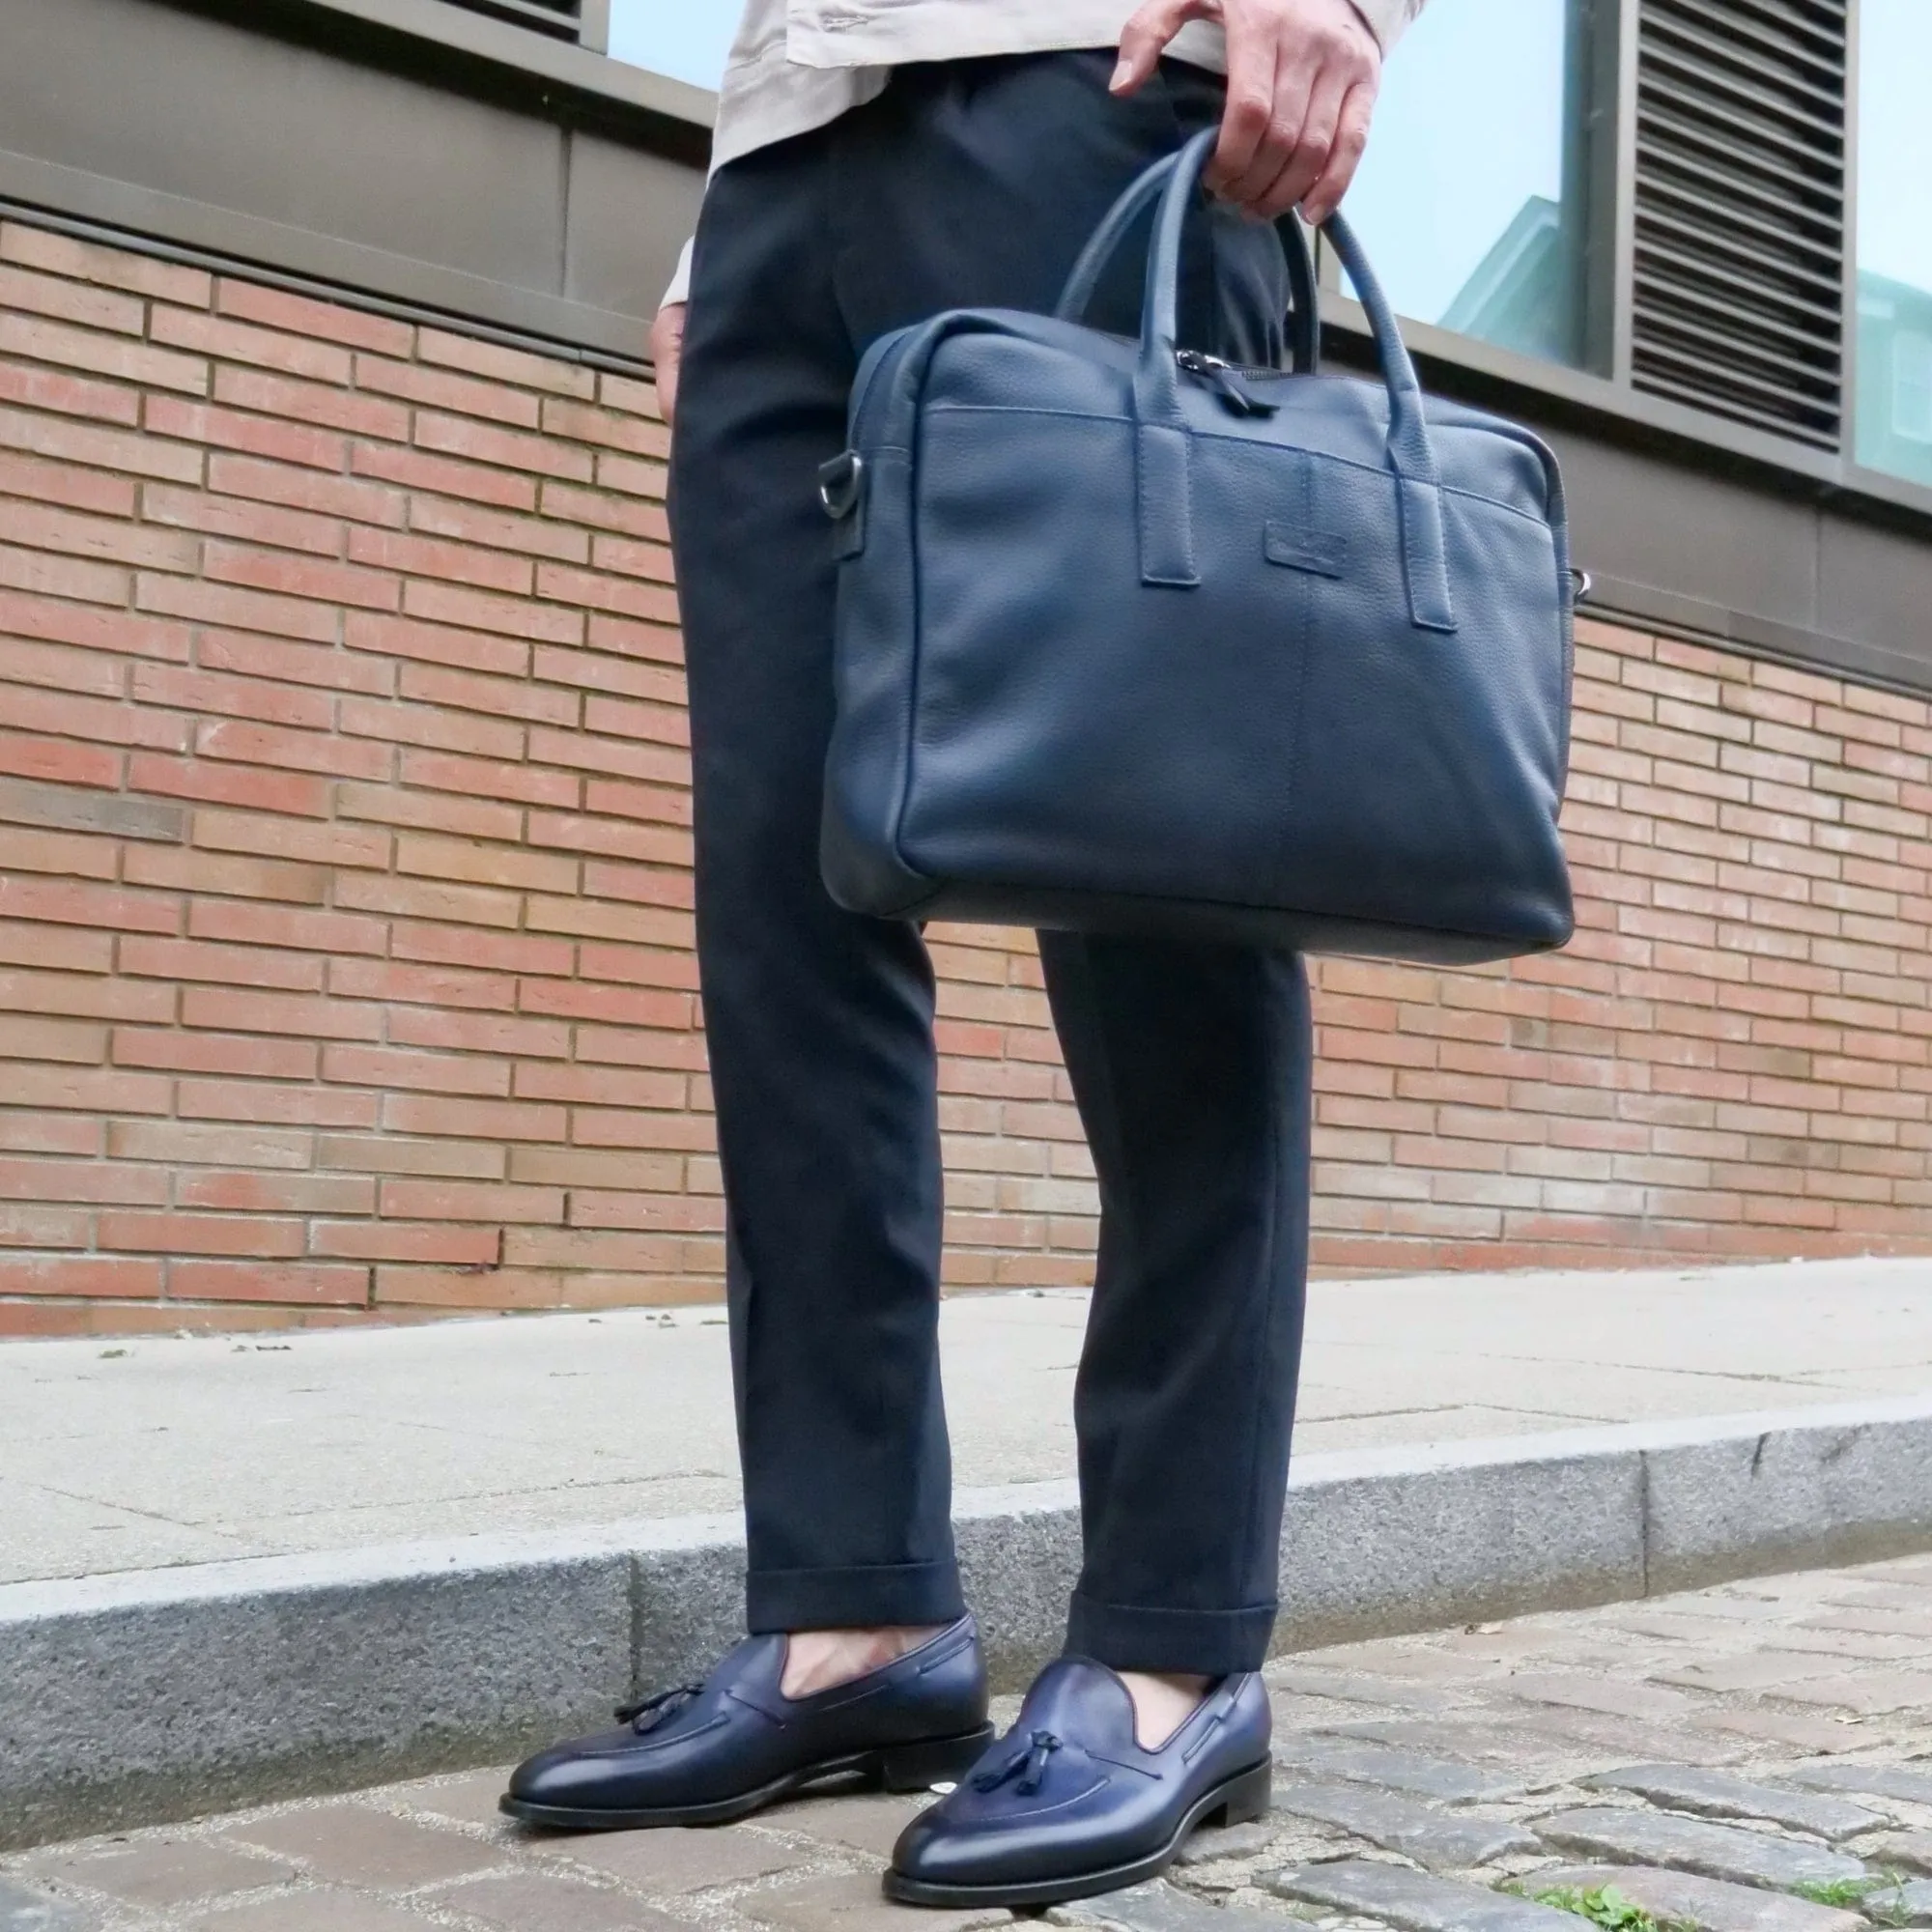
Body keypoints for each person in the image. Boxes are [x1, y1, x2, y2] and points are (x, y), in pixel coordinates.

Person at [503, 0, 1425, 1905]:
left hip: (1086, 95)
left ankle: (1175, 1642)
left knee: (1168, 884)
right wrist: (717, 227)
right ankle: (855, 1618)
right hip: (786, 154)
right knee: (788, 900)